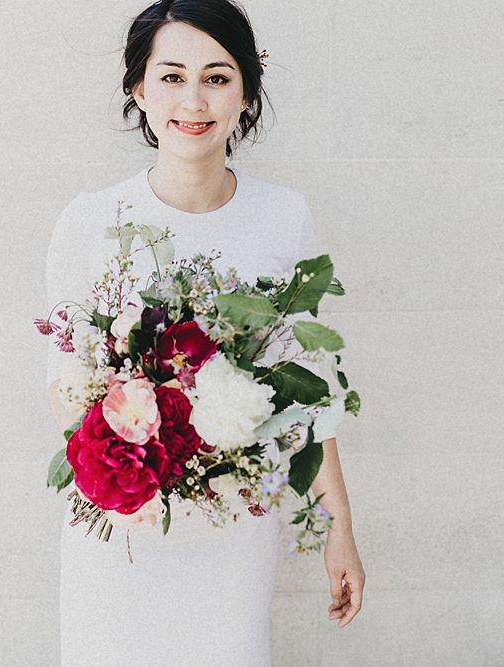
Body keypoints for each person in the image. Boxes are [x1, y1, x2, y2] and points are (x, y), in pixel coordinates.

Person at [45, 1, 365, 664]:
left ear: (245, 91)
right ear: (137, 86)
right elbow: (63, 387)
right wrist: (142, 457)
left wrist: (338, 530)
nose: (193, 100)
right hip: (124, 527)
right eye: (170, 76)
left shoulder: (281, 217)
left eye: (217, 77)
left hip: (233, 526)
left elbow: (308, 395)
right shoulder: (90, 220)